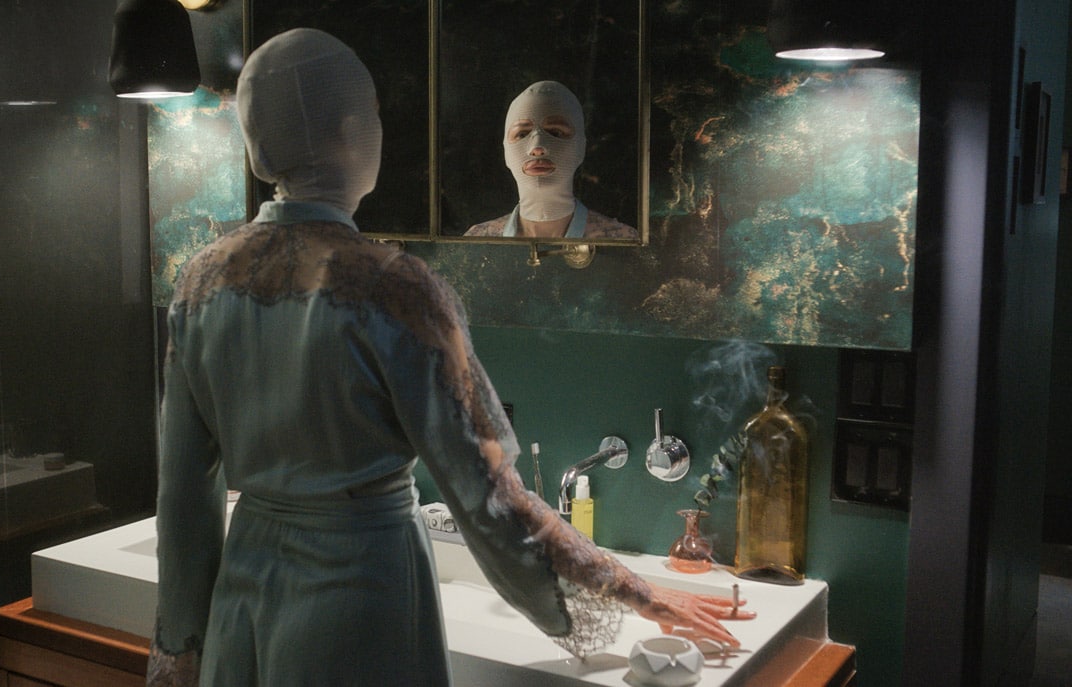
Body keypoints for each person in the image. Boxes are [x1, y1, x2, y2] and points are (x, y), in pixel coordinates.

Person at [148, 28, 747, 687]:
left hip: (243, 601)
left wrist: (180, 650)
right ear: (351, 130)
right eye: (374, 115)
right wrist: (638, 590)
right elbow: (489, 498)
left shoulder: (201, 282)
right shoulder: (394, 288)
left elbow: (182, 498)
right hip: (357, 605)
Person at [465, 80, 639, 240]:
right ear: (506, 151)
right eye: (522, 134)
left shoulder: (623, 241)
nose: (537, 148)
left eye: (555, 132)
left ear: (580, 147)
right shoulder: (477, 241)